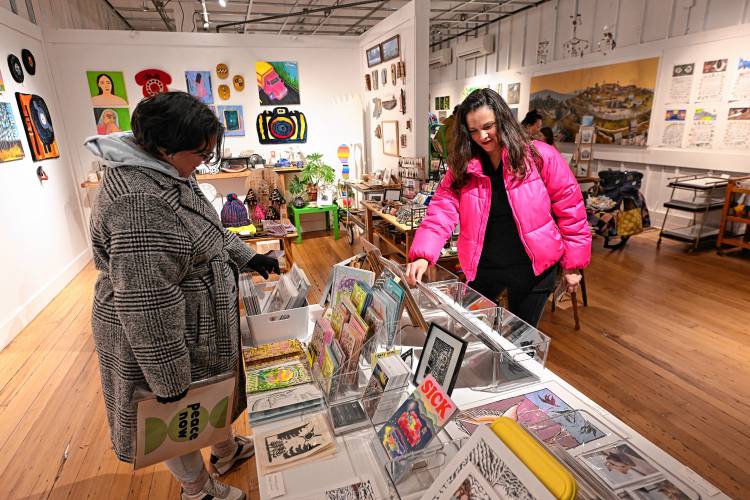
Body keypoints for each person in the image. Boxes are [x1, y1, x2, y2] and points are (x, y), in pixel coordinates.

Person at [86, 92, 280, 500]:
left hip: (195, 318)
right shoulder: (139, 202)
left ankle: (225, 451)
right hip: (164, 330)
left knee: (209, 391)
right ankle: (197, 490)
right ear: (164, 146)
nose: (205, 161)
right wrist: (167, 378)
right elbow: (147, 303)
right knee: (177, 411)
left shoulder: (166, 169)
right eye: (201, 152)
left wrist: (248, 258)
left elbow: (204, 230)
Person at [406, 89, 590, 327]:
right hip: (484, 266)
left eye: (488, 126)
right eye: (473, 131)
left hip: (533, 269)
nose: (482, 136)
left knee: (519, 346)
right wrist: (423, 255)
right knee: (472, 334)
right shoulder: (464, 166)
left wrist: (573, 263)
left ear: (502, 120)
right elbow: (441, 211)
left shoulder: (540, 156)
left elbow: (571, 209)